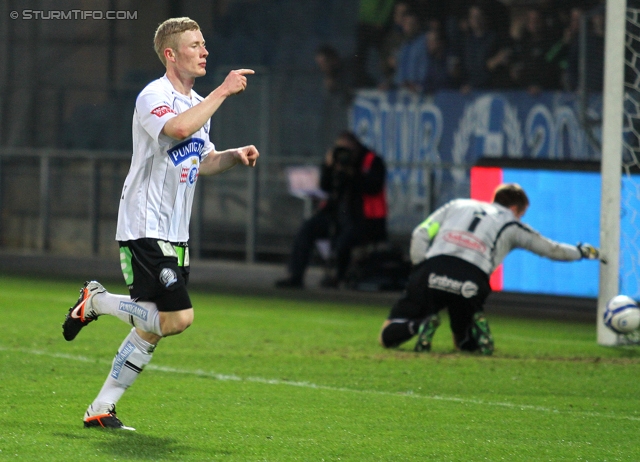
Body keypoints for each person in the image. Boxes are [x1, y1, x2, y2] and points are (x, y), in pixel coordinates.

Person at [61, 17, 259, 430]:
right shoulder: (154, 95)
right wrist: (224, 90)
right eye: (195, 45)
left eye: (204, 44)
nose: (204, 51)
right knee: (179, 319)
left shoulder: (199, 105)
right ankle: (95, 302)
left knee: (155, 326)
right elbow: (177, 129)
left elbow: (201, 161)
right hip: (144, 225)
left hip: (176, 232)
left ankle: (99, 408)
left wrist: (233, 155)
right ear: (171, 54)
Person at [378, 183, 600, 355]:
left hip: (432, 268)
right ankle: (470, 338)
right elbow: (552, 250)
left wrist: (421, 268)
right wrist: (581, 252)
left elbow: (421, 232)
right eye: (522, 213)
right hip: (471, 278)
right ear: (515, 209)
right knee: (461, 343)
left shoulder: (457, 205)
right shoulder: (513, 224)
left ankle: (419, 324)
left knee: (386, 335)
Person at [276, 131, 387, 289]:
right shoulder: (336, 162)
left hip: (364, 219)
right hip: (336, 214)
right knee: (307, 228)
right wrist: (328, 166)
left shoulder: (371, 161)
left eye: (347, 150)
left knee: (344, 242)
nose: (344, 154)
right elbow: (325, 187)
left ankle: (339, 278)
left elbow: (373, 187)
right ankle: (295, 276)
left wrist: (352, 172)